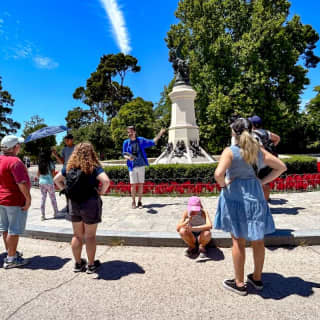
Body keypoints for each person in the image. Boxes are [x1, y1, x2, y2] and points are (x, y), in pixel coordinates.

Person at [214, 118, 286, 296]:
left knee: (238, 241)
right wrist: (261, 181)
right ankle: (257, 278)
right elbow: (281, 167)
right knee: (258, 240)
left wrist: (224, 186)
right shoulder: (258, 151)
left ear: (234, 133)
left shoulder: (230, 152)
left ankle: (239, 283)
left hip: (235, 198)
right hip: (255, 197)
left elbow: (218, 174)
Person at [54, 142, 110, 274]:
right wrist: (100, 192)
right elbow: (106, 181)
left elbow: (56, 180)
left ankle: (78, 264)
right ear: (91, 152)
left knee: (77, 235)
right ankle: (91, 265)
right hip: (90, 203)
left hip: (74, 204)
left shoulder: (69, 167)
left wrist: (66, 191)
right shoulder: (94, 167)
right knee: (90, 236)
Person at [0, 135, 31, 269]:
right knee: (14, 230)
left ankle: (10, 253)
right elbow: (21, 183)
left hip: (2, 199)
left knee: (5, 228)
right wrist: (28, 199)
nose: (20, 146)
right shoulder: (15, 162)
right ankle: (11, 259)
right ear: (15, 147)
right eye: (19, 144)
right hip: (14, 200)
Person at [122, 126, 166, 209]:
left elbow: (152, 141)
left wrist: (160, 133)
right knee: (133, 185)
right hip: (132, 166)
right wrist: (128, 158)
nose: (129, 134)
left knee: (141, 184)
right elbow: (124, 154)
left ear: (135, 132)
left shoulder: (141, 140)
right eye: (128, 132)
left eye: (131, 132)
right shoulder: (126, 142)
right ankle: (133, 202)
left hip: (141, 165)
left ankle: (139, 201)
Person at [249, 115, 281, 201]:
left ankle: (259, 201)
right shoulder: (267, 132)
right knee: (266, 181)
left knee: (257, 181)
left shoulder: (253, 134)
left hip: (259, 160)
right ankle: (265, 201)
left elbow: (260, 148)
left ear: (253, 125)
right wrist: (271, 148)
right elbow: (277, 138)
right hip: (269, 160)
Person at [52, 133, 75, 212]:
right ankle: (66, 194)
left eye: (67, 140)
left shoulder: (77, 148)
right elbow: (62, 161)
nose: (66, 142)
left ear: (72, 140)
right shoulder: (64, 149)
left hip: (74, 170)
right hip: (65, 169)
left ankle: (72, 206)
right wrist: (56, 155)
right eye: (65, 140)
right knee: (56, 179)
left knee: (74, 188)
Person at [37, 151, 59, 220]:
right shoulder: (51, 163)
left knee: (43, 198)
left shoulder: (40, 164)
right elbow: (53, 174)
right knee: (53, 198)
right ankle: (55, 213)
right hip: (49, 182)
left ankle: (42, 215)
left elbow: (38, 174)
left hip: (41, 182)